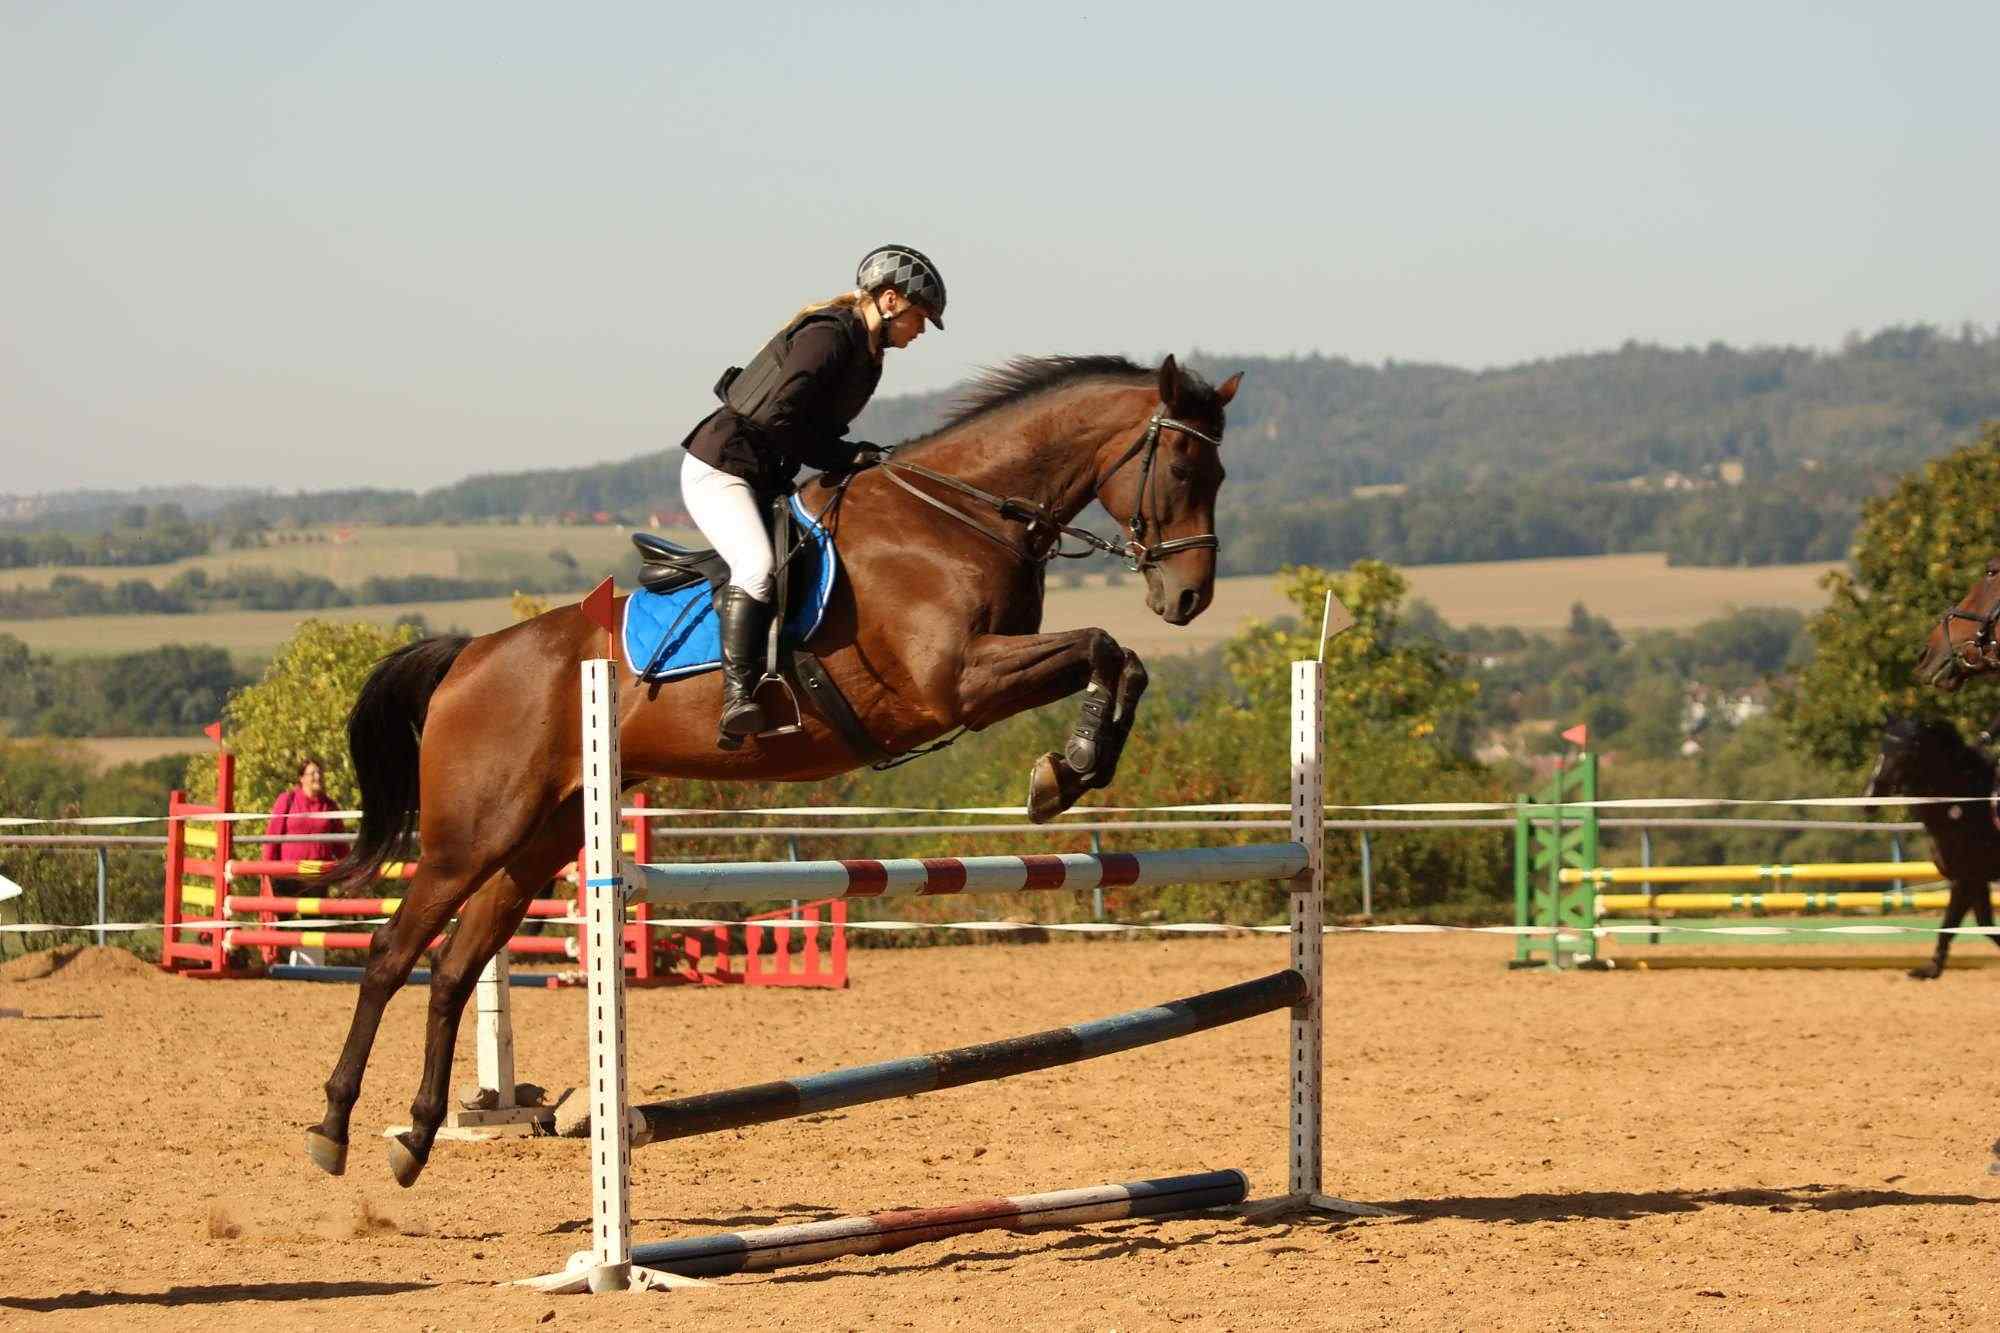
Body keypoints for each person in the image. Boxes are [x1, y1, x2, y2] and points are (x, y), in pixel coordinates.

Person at [678, 243, 946, 746]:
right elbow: (780, 419)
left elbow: (810, 432)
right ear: (889, 301)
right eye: (919, 317)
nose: (920, 331)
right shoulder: (828, 336)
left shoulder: (866, 355)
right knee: (756, 567)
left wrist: (853, 456)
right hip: (722, 469)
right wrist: (844, 456)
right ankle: (737, 698)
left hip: (767, 476)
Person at [264, 756, 346, 878]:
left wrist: (351, 870)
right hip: (289, 875)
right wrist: (266, 870)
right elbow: (272, 838)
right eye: (313, 773)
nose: (318, 777)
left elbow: (341, 845)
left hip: (318, 877)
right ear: (301, 778)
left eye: (320, 773)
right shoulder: (287, 800)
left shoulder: (329, 805)